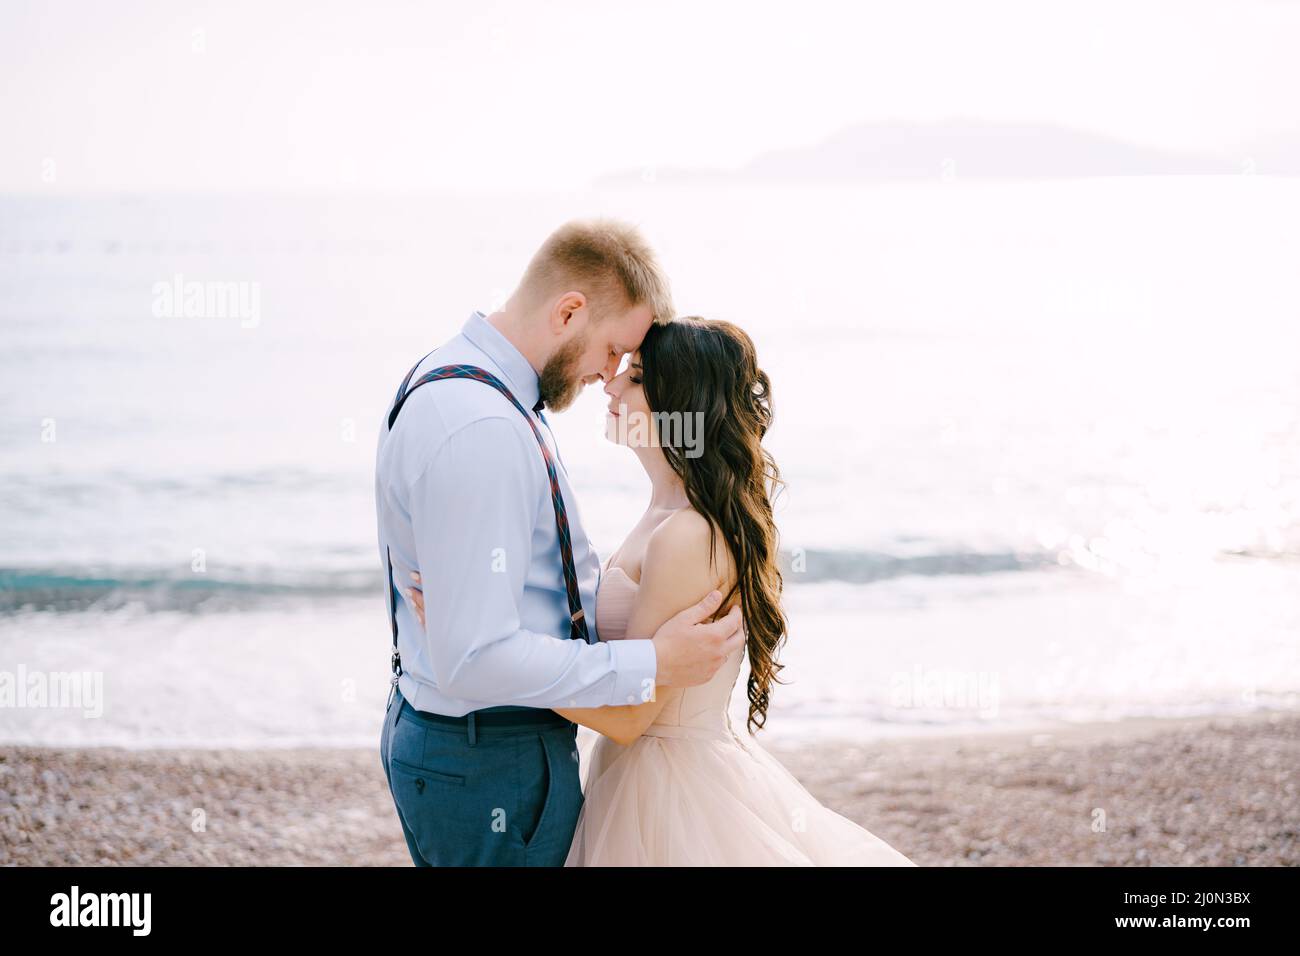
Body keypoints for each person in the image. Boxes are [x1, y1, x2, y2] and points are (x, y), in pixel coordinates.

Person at [376, 219, 744, 866]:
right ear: (569, 311)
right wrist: (652, 664)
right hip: (492, 758)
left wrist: (477, 631)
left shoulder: (473, 389)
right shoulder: (483, 425)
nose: (610, 376)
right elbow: (476, 657)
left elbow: (504, 618)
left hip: (477, 743)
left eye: (627, 367)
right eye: (612, 351)